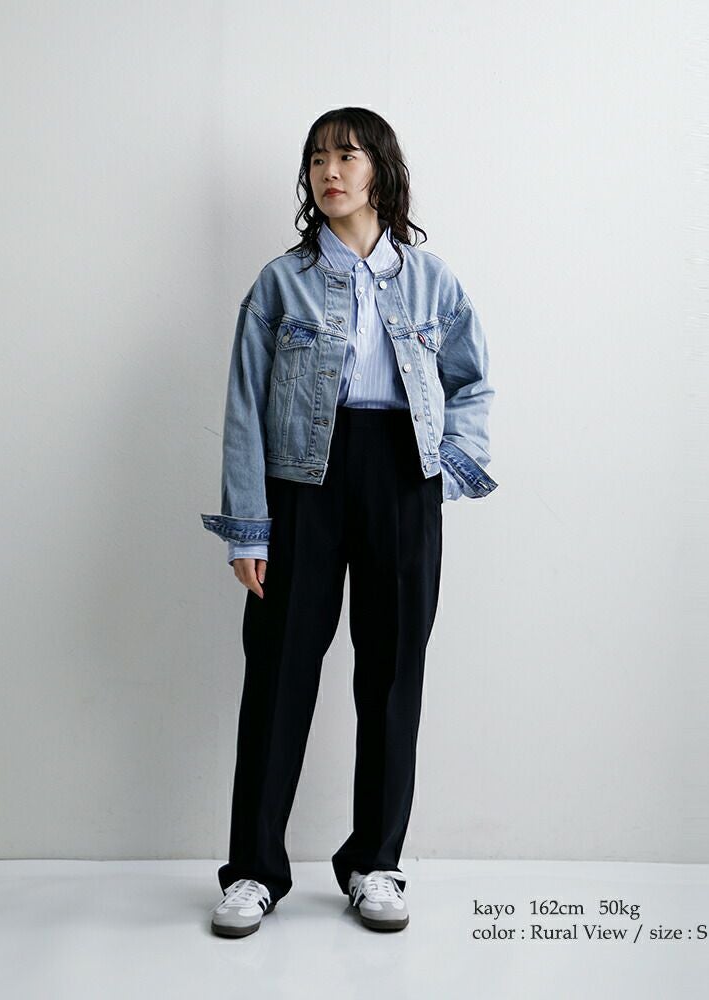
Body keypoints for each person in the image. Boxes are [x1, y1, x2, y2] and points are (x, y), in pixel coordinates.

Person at [201, 107, 498, 937]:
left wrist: (447, 469)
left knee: (394, 676)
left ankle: (376, 863)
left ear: (380, 172)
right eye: (316, 159)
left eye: (347, 156)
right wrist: (249, 527)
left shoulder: (431, 280)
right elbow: (244, 408)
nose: (329, 172)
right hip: (304, 482)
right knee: (279, 675)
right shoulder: (280, 282)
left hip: (402, 480)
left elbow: (472, 381)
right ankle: (254, 871)